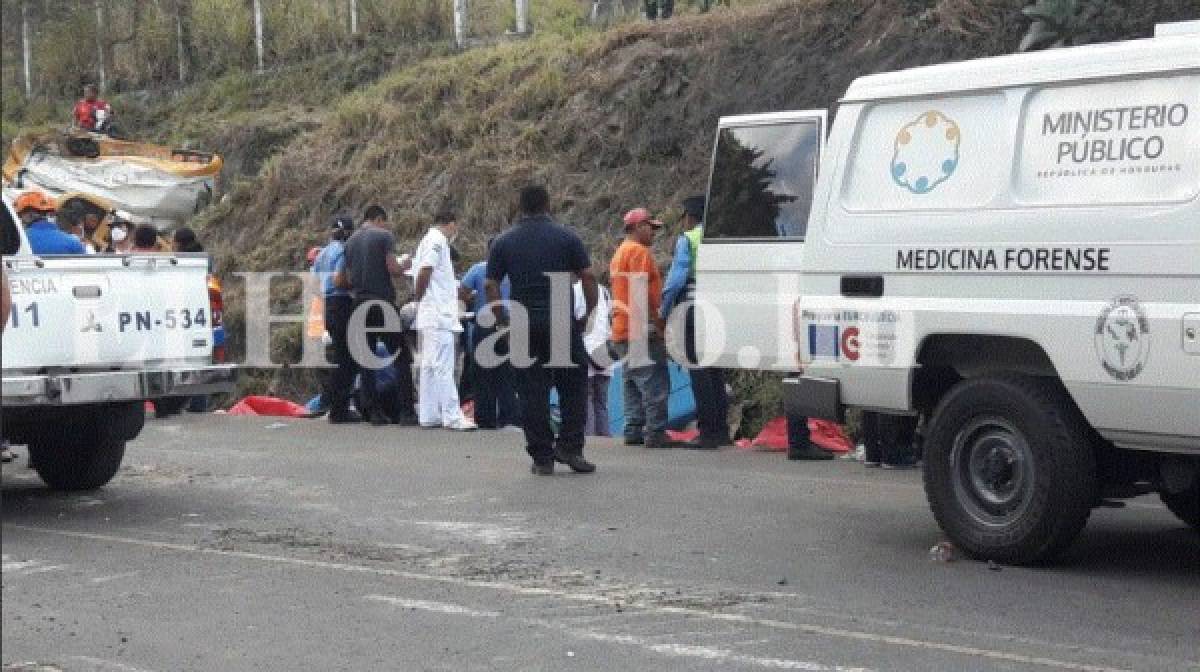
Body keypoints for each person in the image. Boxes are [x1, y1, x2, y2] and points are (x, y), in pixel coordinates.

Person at [486, 185, 598, 475]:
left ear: (520, 207)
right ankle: (571, 448)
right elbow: (587, 275)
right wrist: (588, 311)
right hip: (561, 320)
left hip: (523, 324)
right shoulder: (566, 238)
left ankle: (542, 458)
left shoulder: (503, 241)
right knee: (573, 385)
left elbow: (490, 283)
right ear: (548, 204)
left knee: (531, 391)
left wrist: (501, 320)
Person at [340, 204, 418, 426]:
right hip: (381, 302)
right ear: (379, 219)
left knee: (367, 359)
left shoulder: (350, 242)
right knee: (401, 356)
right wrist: (405, 265)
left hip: (359, 304)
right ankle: (406, 412)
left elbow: (345, 278)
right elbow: (393, 269)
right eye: (385, 222)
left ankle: (373, 412)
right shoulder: (384, 236)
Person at [662, 195, 730, 450]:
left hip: (692, 309)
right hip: (719, 311)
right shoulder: (721, 239)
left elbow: (676, 280)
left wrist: (664, 309)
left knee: (699, 371)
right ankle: (721, 431)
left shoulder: (688, 239)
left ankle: (708, 432)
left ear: (690, 217)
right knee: (715, 370)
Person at [610, 207, 676, 449]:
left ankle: (633, 429)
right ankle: (656, 432)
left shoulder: (620, 253)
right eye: (651, 227)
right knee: (654, 382)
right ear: (638, 227)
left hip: (622, 328)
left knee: (631, 381)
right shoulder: (638, 252)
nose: (654, 233)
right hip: (639, 329)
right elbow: (641, 292)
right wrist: (657, 324)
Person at [412, 211, 476, 431]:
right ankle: (451, 415)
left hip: (432, 312)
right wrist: (419, 298)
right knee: (443, 365)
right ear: (451, 224)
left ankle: (429, 413)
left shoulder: (427, 241)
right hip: (438, 313)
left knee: (430, 365)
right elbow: (424, 272)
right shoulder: (438, 241)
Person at [461, 241, 519, 429]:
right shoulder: (514, 271)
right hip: (508, 324)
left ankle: (485, 418)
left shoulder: (479, 269)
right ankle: (509, 417)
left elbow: (462, 292)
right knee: (507, 373)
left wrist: (472, 298)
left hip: (484, 324)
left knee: (482, 374)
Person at [312, 216, 360, 423]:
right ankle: (339, 410)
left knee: (339, 357)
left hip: (327, 306)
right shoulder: (342, 250)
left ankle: (333, 404)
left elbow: (315, 282)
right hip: (341, 303)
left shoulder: (322, 253)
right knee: (347, 360)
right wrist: (355, 284)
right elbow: (339, 280)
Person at [575, 276, 613, 436]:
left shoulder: (574, 291)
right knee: (601, 402)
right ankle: (605, 437)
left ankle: (590, 440)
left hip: (585, 349)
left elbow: (575, 320)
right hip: (604, 352)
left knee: (586, 400)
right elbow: (610, 318)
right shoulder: (604, 292)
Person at [17, 191, 85, 255]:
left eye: (20, 216)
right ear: (50, 213)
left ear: (29, 215)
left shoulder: (16, 241)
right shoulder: (74, 243)